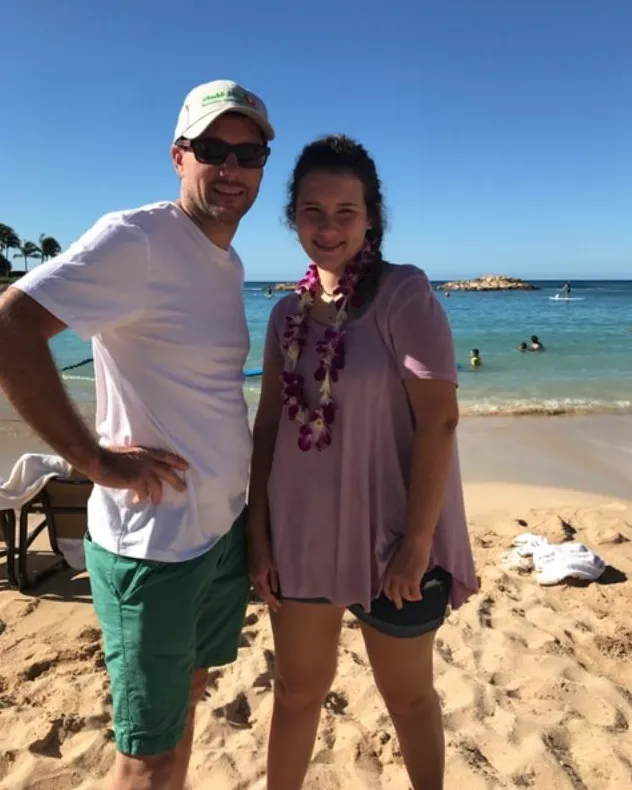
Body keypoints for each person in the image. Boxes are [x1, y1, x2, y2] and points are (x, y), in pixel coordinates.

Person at [0, 79, 274, 790]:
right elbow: (10, 327)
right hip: (152, 547)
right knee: (148, 754)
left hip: (217, 536)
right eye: (215, 148)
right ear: (180, 156)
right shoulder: (139, 238)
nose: (233, 167)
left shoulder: (227, 261)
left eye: (251, 152)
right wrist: (90, 458)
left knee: (183, 709)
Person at [247, 135, 478, 790]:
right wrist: (257, 535)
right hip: (300, 538)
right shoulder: (285, 313)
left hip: (392, 539)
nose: (328, 228)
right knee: (296, 693)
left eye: (345, 211)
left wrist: (417, 543)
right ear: (293, 216)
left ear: (371, 217)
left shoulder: (403, 294)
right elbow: (267, 428)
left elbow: (440, 420)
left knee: (408, 699)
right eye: (312, 211)